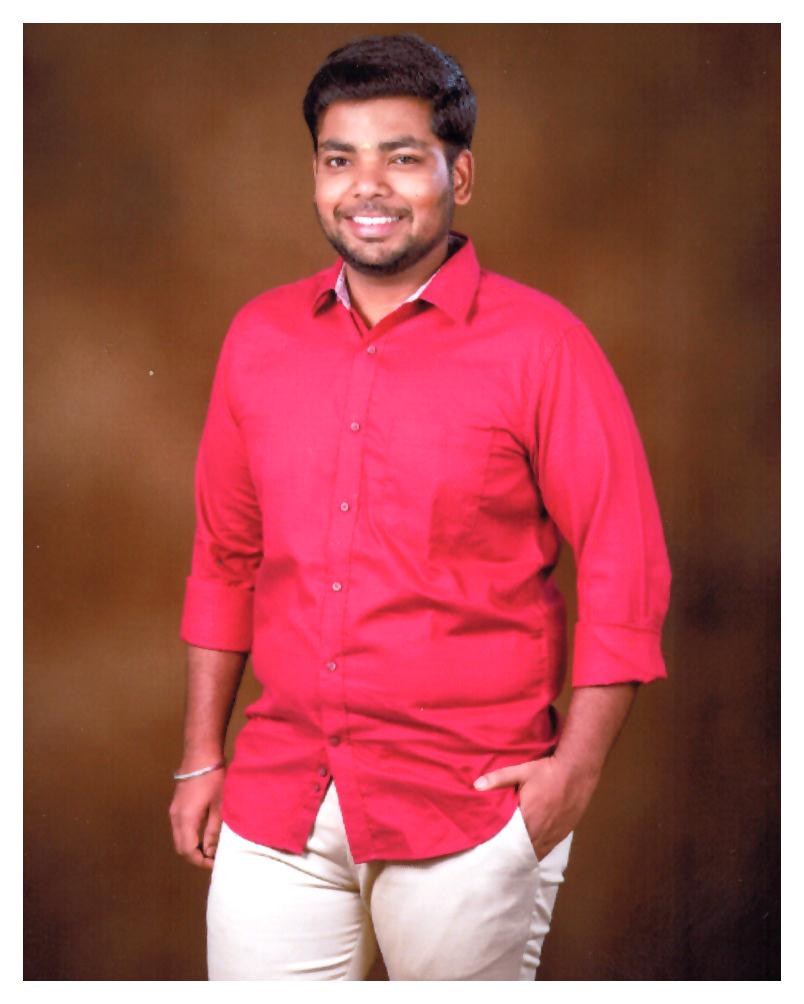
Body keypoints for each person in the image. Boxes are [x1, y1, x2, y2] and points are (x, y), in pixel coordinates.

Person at [169, 33, 671, 981]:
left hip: (469, 810)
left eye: (402, 157)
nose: (367, 187)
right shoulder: (258, 338)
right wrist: (201, 756)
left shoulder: (544, 346)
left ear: (459, 175)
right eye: (339, 159)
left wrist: (575, 775)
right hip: (280, 798)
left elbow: (625, 564)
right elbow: (225, 558)